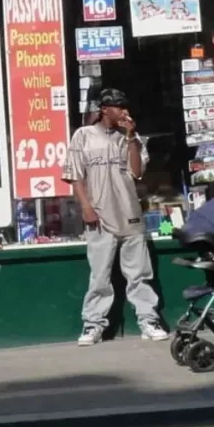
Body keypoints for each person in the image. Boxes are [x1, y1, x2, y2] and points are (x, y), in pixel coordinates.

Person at [62, 88, 169, 346]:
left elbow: (137, 171)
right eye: (118, 106)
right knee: (100, 275)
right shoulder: (83, 136)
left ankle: (148, 320)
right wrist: (85, 207)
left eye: (124, 105)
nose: (123, 110)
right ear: (104, 109)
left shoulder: (129, 137)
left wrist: (131, 136)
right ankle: (93, 324)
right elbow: (75, 176)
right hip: (99, 214)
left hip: (129, 213)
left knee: (139, 273)